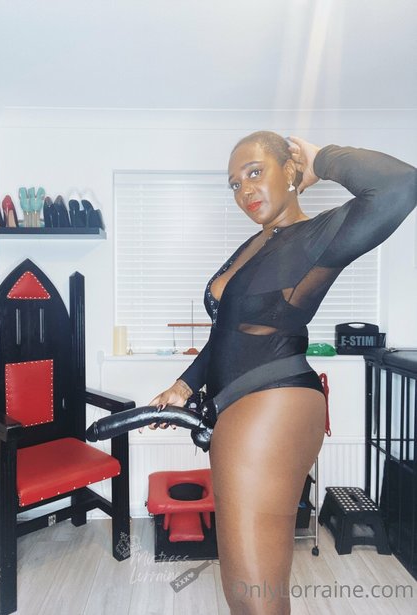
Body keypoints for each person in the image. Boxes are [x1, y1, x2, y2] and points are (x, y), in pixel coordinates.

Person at [143, 132, 417, 615]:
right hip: (243, 404)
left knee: (253, 595)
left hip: (270, 400)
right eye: (234, 184)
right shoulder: (257, 241)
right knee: (248, 589)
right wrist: (184, 386)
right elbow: (229, 331)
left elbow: (400, 186)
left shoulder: (313, 237)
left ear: (289, 170)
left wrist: (322, 159)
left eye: (255, 172)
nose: (244, 190)